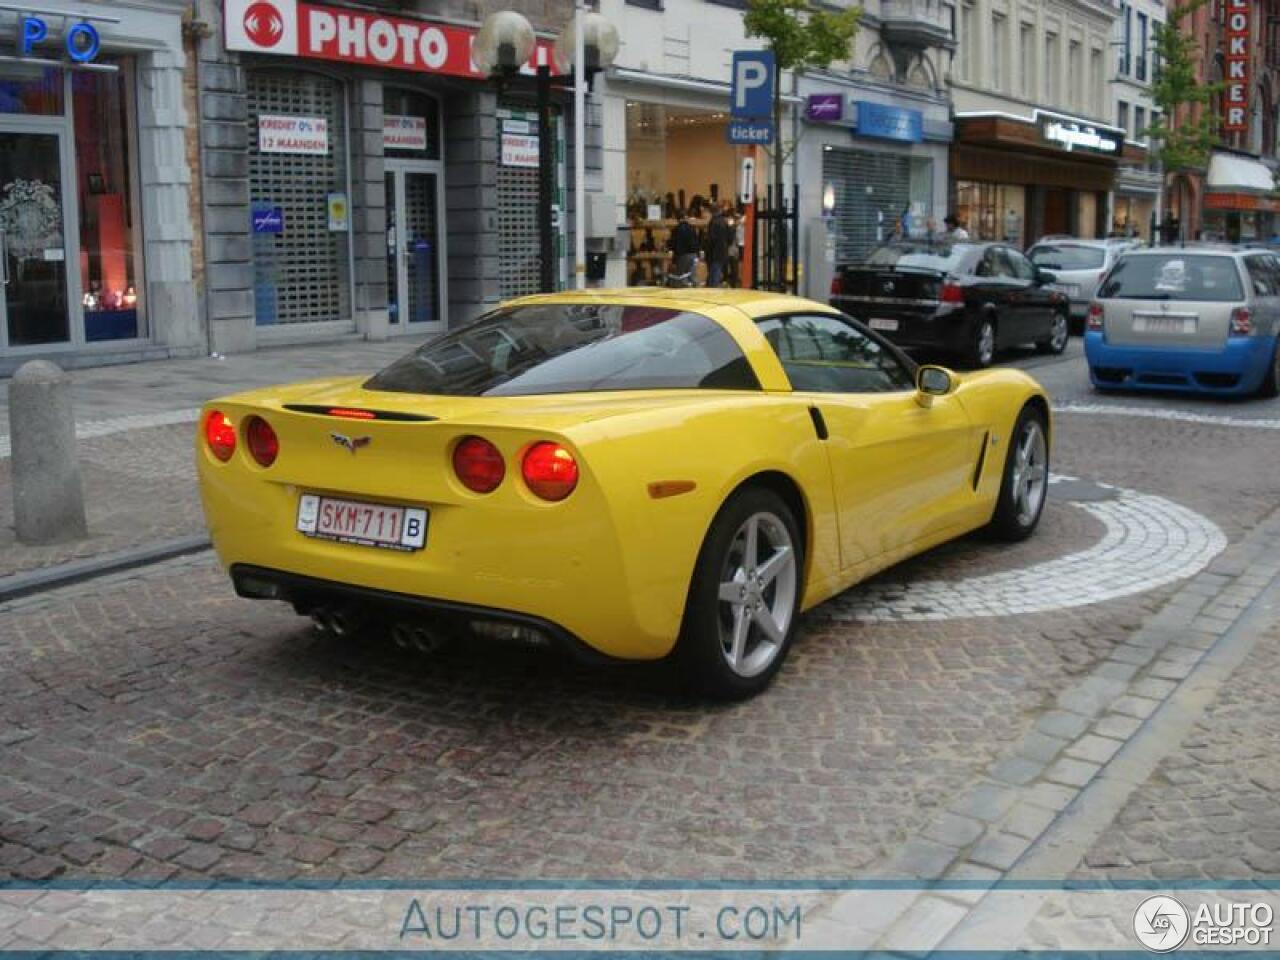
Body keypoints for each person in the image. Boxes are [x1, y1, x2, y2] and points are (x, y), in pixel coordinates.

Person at [705, 202, 734, 287]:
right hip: (722, 251)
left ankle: (712, 290)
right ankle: (714, 287)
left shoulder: (713, 222)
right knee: (716, 272)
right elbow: (730, 238)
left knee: (714, 273)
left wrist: (706, 249)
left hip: (714, 252)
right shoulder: (725, 222)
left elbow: (711, 239)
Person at [668, 213, 700, 282]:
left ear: (677, 219)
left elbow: (674, 245)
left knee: (681, 277)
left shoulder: (676, 230)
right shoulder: (692, 228)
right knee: (692, 276)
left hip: (682, 256)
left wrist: (674, 260)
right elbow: (697, 242)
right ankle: (695, 287)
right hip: (693, 255)